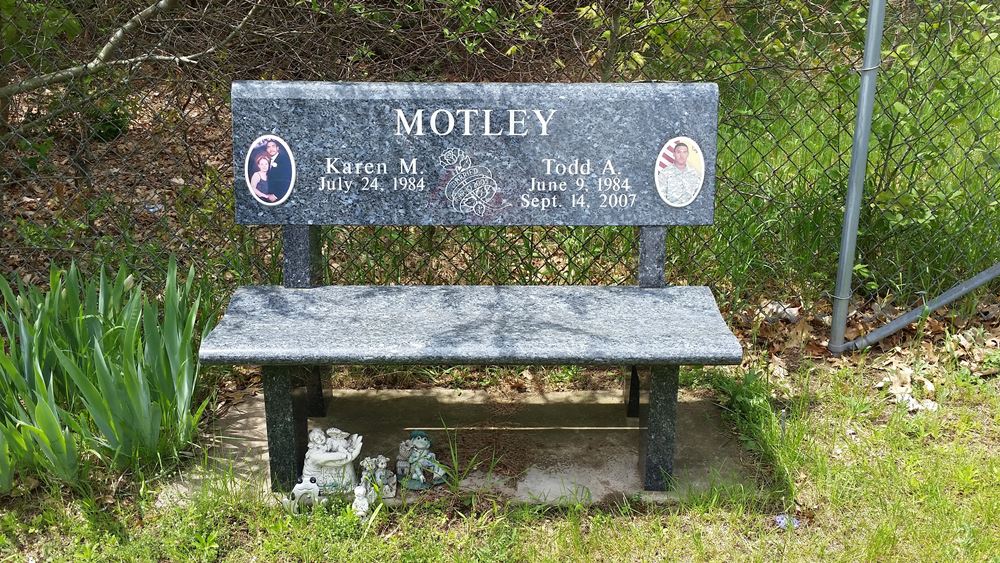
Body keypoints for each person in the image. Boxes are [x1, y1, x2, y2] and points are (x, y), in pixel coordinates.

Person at [656, 142, 702, 206]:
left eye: (684, 152)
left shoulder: (694, 174)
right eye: (678, 152)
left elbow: (700, 196)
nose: (681, 155)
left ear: (687, 154)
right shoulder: (664, 174)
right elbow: (660, 198)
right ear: (674, 154)